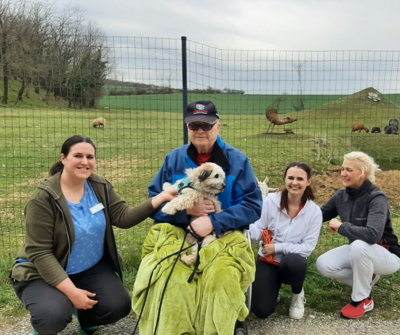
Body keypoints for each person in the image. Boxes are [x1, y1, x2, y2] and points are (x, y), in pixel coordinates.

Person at [9, 135, 175, 335]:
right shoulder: (43, 198)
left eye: (90, 156)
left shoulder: (99, 186)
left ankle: (86, 320)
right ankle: (48, 322)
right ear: (63, 158)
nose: (85, 161)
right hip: (42, 273)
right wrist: (72, 292)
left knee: (118, 305)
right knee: (51, 316)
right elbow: (40, 252)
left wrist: (162, 198)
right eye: (78, 155)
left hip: (88, 268)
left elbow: (123, 217)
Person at [131, 100, 263, 335]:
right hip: (179, 233)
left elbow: (253, 206)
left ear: (218, 127)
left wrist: (213, 222)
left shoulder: (238, 161)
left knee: (221, 279)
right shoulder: (174, 159)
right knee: (171, 281)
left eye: (206, 125)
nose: (200, 130)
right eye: (194, 126)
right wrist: (185, 213)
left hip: (223, 235)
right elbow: (156, 199)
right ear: (188, 129)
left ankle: (220, 327)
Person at [316, 151, 400, 319]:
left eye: (349, 170)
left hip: (386, 255)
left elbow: (373, 235)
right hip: (359, 251)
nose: (343, 173)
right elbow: (318, 215)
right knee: (323, 264)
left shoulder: (377, 198)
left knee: (359, 245)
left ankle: (362, 299)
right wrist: (292, 211)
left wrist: (341, 227)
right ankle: (366, 279)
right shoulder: (341, 195)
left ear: (363, 173)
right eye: (342, 169)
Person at [249, 162, 322, 320]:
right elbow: (259, 228)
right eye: (290, 178)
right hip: (268, 260)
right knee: (261, 311)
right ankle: (273, 289)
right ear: (285, 179)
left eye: (300, 179)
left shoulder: (315, 212)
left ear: (308, 181)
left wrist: (277, 247)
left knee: (293, 262)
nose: (294, 182)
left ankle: (297, 294)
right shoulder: (270, 201)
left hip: (292, 263)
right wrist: (243, 229)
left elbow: (307, 248)